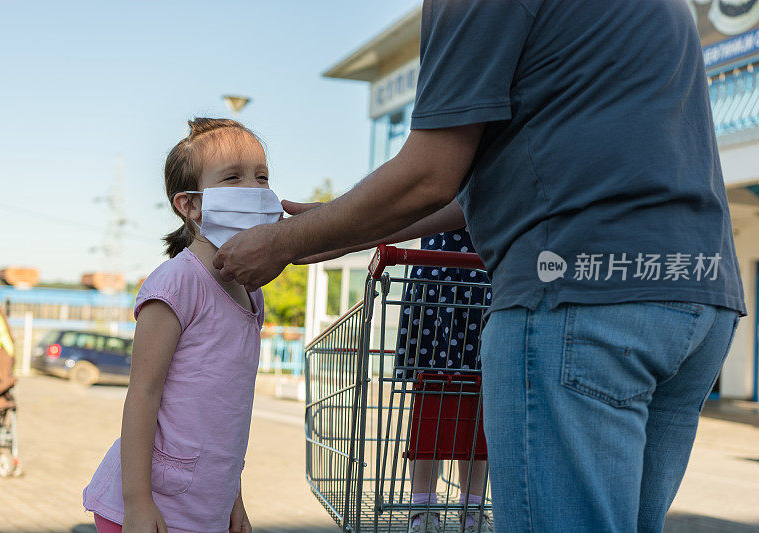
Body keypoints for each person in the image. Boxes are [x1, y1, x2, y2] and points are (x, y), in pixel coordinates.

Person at [214, 1, 747, 531]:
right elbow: (479, 184)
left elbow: (430, 172)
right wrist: (338, 227)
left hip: (577, 294)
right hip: (700, 293)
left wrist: (282, 242)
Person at [82, 118, 282, 533]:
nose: (256, 189)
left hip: (206, 510)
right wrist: (136, 501)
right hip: (147, 513)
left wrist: (234, 500)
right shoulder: (177, 282)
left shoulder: (251, 290)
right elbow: (142, 393)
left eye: (263, 177)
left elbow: (225, 417)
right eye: (233, 177)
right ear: (189, 205)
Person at [396, 229, 492, 533]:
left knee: (478, 394)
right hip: (440, 277)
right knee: (431, 390)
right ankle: (425, 505)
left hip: (479, 274)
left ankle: (471, 506)